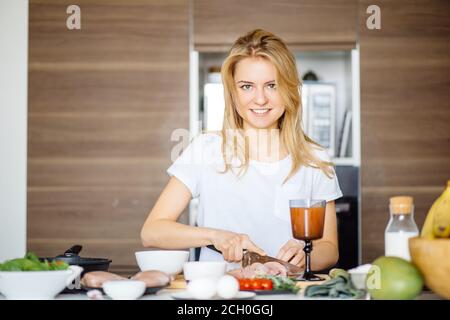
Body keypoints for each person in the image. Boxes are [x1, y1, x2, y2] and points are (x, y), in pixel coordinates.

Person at [141, 29, 342, 271]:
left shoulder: (315, 158)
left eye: (271, 85)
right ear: (233, 93)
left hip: (287, 292)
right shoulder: (206, 150)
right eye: (247, 86)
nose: (260, 99)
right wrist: (216, 236)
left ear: (288, 90)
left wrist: (305, 257)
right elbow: (152, 231)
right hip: (220, 296)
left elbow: (329, 248)